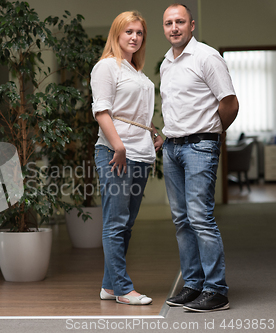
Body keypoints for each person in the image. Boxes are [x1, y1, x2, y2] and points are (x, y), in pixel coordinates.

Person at [160, 4, 239, 312]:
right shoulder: (167, 63)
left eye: (180, 22)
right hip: (172, 148)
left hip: (200, 147)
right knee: (181, 220)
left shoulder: (207, 57)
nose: (174, 27)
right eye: (169, 23)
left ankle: (216, 290)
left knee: (200, 218)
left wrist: (212, 134)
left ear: (192, 25)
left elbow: (229, 103)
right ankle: (193, 285)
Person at [91, 11, 164, 306]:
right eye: (128, 32)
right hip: (116, 154)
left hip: (140, 154)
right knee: (115, 223)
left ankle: (109, 286)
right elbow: (102, 111)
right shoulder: (107, 66)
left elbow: (133, 113)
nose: (134, 37)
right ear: (116, 35)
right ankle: (122, 288)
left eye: (139, 33)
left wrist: (153, 132)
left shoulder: (137, 71)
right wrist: (118, 146)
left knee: (125, 224)